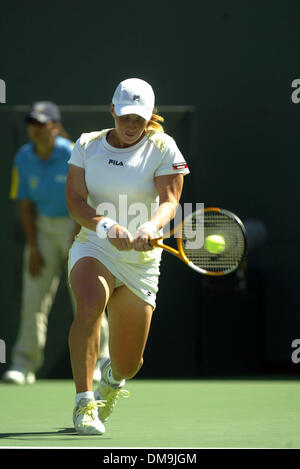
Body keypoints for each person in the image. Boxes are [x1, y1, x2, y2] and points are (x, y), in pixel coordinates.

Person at [66, 78, 190, 435]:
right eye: (125, 117)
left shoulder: (164, 146)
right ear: (113, 111)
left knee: (129, 363)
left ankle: (112, 380)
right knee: (89, 306)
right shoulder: (88, 145)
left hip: (142, 261)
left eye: (139, 118)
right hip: (95, 246)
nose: (131, 125)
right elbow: (74, 201)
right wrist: (106, 227)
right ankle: (84, 403)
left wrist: (149, 228)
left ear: (151, 116)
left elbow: (170, 200)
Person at [3, 101, 109, 385]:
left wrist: (76, 244)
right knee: (32, 299)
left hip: (77, 227)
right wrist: (35, 248)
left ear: (54, 126)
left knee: (87, 297)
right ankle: (24, 365)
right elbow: (25, 205)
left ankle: (101, 360)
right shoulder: (23, 157)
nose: (35, 130)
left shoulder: (73, 153)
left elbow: (83, 202)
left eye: (41, 124)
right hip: (42, 231)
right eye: (31, 124)